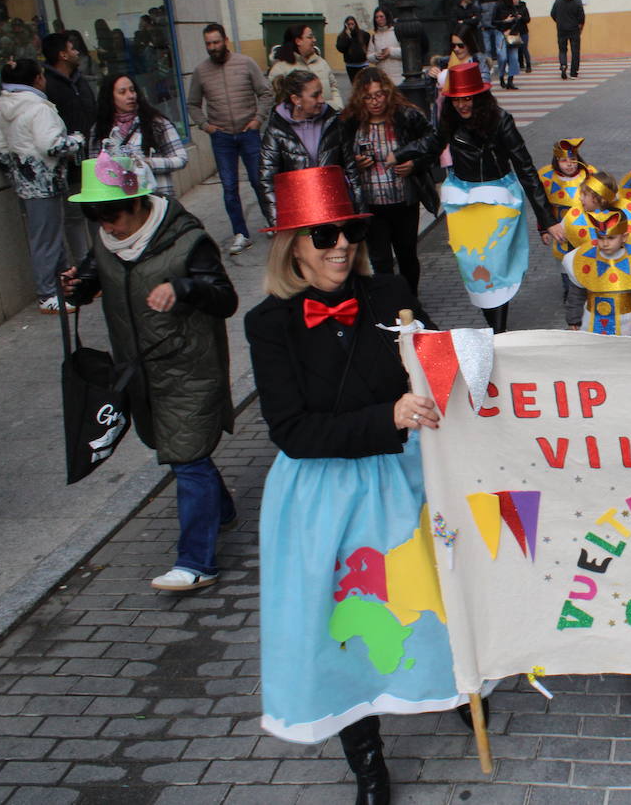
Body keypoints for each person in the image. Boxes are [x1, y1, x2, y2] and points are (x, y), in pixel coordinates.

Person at [243, 165, 465, 801]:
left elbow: (438, 371)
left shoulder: (390, 289)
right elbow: (292, 429)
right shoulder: (269, 323)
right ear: (292, 245)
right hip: (326, 496)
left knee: (435, 597)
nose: (340, 244)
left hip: (405, 479)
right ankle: (368, 761)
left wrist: (447, 361)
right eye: (323, 234)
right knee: (345, 623)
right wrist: (387, 415)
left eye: (349, 231)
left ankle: (451, 685)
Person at [61, 154, 237, 591]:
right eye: (97, 217)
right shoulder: (107, 242)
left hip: (189, 370)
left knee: (186, 456)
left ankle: (197, 562)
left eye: (113, 214)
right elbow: (90, 278)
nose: (107, 225)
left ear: (139, 202)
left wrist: (184, 287)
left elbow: (225, 298)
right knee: (182, 452)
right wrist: (75, 286)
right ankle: (223, 511)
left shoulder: (188, 241)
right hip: (138, 373)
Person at [394, 62, 562, 333]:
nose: (462, 105)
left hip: (497, 201)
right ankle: (493, 326)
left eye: (468, 98)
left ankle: (498, 333)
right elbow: (432, 144)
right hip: (463, 202)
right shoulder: (449, 121)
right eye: (457, 99)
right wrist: (401, 156)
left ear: (480, 97)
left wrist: (547, 219)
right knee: (473, 266)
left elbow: (526, 168)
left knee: (494, 267)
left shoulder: (501, 120)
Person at [0, 58, 86, 314]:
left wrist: (20, 173)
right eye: (42, 75)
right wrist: (76, 140)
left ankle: (63, 286)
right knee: (47, 239)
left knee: (47, 236)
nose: (45, 79)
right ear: (36, 80)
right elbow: (51, 145)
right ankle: (47, 293)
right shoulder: (39, 108)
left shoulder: (7, 108)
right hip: (46, 182)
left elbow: (0, 150)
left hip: (28, 184)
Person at [339, 67, 436, 294]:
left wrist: (414, 164)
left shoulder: (406, 115)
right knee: (380, 259)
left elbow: (433, 144)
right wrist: (354, 162)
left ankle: (410, 298)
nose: (375, 102)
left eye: (379, 94)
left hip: (404, 200)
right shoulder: (349, 122)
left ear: (388, 92)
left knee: (407, 255)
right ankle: (389, 302)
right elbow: (338, 158)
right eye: (368, 97)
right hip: (371, 204)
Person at [188, 23, 274, 254]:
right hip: (222, 137)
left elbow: (266, 93)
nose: (213, 47)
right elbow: (193, 104)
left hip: (249, 133)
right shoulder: (201, 71)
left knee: (260, 180)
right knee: (229, 187)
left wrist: (258, 119)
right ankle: (241, 233)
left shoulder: (245, 63)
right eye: (208, 43)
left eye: (216, 42)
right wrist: (206, 126)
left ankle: (272, 221)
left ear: (225, 40)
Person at [259, 70, 344, 228]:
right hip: (299, 215)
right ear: (296, 99)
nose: (321, 100)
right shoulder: (276, 130)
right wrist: (278, 224)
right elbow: (267, 180)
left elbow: (350, 169)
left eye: (321, 94)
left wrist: (358, 214)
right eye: (315, 95)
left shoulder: (334, 122)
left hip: (335, 211)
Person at [41, 31, 97, 260]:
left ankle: (101, 261)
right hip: (69, 164)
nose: (77, 52)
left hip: (93, 159)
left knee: (96, 212)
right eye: (72, 48)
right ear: (62, 54)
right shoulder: (48, 86)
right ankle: (85, 266)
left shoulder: (80, 80)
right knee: (75, 217)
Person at [89, 73, 189, 199]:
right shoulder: (100, 129)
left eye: (132, 90)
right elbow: (95, 167)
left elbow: (181, 159)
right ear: (110, 97)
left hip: (157, 198)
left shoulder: (157, 123)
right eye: (122, 92)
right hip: (121, 202)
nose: (131, 96)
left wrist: (148, 163)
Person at [561, 209, 631, 335]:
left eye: (611, 238)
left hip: (627, 324)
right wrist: (573, 320)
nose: (605, 243)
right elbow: (576, 294)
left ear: (624, 237)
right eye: (600, 238)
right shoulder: (583, 259)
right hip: (591, 322)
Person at [268, 24, 343, 111]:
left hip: (327, 118)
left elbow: (333, 87)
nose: (314, 40)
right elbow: (275, 100)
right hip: (298, 122)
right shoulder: (280, 69)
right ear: (298, 41)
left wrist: (337, 106)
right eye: (310, 37)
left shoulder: (322, 62)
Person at [493, 0, 527, 90]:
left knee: (514, 58)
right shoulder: (498, 7)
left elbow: (517, 20)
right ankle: (501, 77)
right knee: (502, 57)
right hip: (500, 34)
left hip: (512, 34)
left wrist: (513, 24)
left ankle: (510, 81)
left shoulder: (513, 7)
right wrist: (504, 22)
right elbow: (493, 22)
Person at [551, 0, 585, 80]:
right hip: (574, 30)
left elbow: (553, 13)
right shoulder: (577, 1)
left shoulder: (558, 0)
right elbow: (581, 17)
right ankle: (573, 73)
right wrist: (580, 27)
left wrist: (559, 22)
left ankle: (563, 65)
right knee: (575, 51)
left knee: (562, 49)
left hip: (561, 30)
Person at [366, 7, 403, 85]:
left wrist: (390, 51)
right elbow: (369, 57)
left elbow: (406, 52)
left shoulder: (397, 32)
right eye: (376, 17)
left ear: (387, 17)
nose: (379, 19)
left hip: (399, 78)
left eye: (381, 16)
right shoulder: (374, 37)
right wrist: (376, 56)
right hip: (382, 79)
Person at [504, 0, 533, 74]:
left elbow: (528, 19)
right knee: (516, 49)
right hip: (514, 32)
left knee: (524, 48)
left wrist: (522, 18)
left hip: (523, 31)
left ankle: (528, 65)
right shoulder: (510, 9)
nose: (515, 0)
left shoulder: (523, 7)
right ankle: (520, 64)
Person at [336, 15, 371, 84]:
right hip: (351, 66)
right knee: (355, 85)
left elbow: (368, 44)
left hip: (363, 64)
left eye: (352, 24)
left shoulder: (363, 34)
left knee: (364, 84)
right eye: (349, 24)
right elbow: (341, 48)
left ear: (355, 24)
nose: (351, 26)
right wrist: (348, 37)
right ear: (346, 25)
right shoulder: (342, 36)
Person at [478, 0, 501, 71]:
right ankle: (489, 66)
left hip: (496, 26)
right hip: (485, 27)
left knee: (499, 48)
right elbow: (477, 13)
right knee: (487, 49)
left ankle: (501, 65)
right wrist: (480, 25)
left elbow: (499, 10)